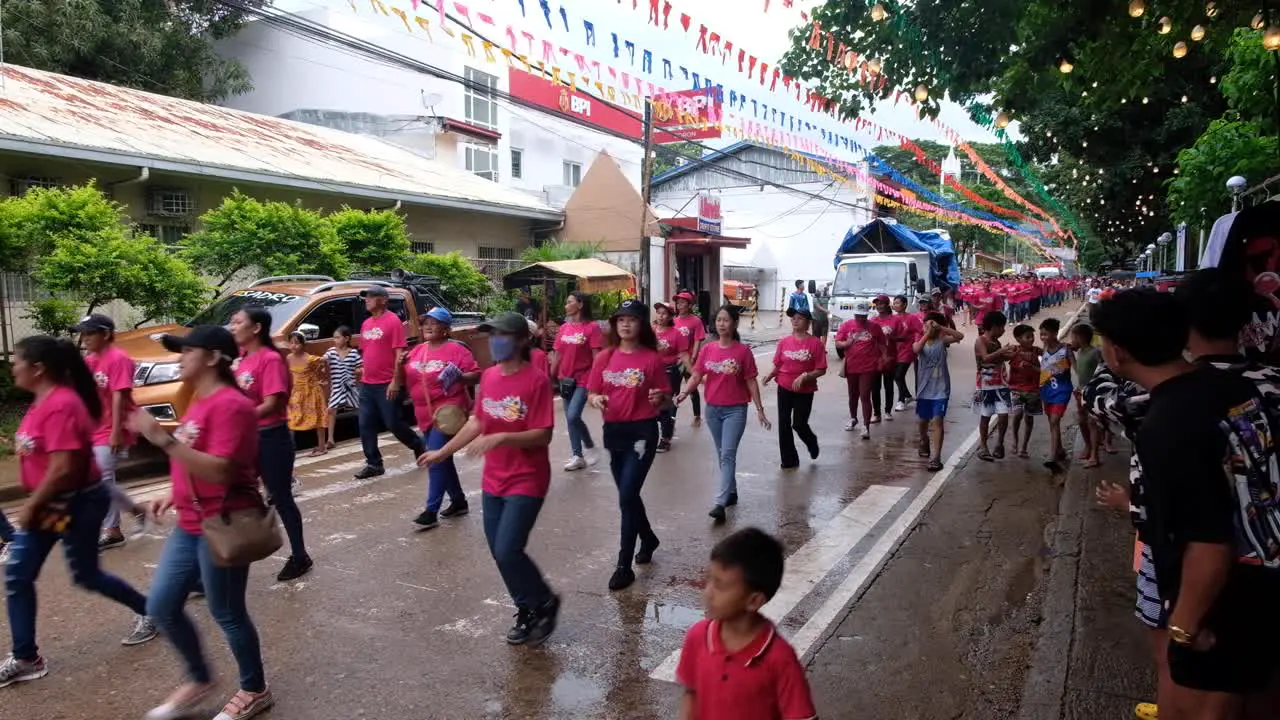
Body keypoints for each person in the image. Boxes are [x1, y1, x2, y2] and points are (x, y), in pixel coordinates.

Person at [1092, 288, 1280, 720]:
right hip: (1263, 579)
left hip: (1228, 599)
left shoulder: (1169, 424)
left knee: (1203, 706)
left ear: (1117, 352)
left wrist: (1184, 626)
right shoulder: (1229, 387)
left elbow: (1209, 544)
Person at [128, 325, 274, 720]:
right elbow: (196, 458)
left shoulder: (232, 404)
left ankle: (254, 688)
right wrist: (173, 492)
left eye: (187, 351)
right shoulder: (200, 400)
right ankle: (199, 678)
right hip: (190, 522)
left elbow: (224, 470)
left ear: (212, 357)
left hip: (222, 523)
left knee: (227, 611)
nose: (180, 358)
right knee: (161, 605)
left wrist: (162, 440)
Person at [0, 336, 154, 690]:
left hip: (72, 503)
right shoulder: (44, 400)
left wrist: (32, 504)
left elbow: (64, 467)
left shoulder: (61, 404)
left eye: (18, 360)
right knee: (19, 575)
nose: (13, 366)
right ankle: (26, 657)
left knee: (85, 575)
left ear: (37, 369)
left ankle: (149, 609)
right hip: (55, 501)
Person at [419, 312, 560, 645]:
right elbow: (476, 422)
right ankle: (526, 608)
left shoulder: (535, 380)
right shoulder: (491, 377)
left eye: (503, 335)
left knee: (510, 548)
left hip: (527, 479)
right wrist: (443, 453)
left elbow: (543, 435)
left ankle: (546, 601)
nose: (495, 341)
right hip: (494, 479)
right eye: (492, 335)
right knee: (499, 552)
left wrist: (503, 438)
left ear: (522, 340)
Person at [675, 527, 817, 720]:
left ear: (753, 601)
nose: (708, 592)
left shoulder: (780, 659)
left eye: (720, 585)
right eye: (709, 579)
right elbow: (691, 694)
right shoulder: (698, 636)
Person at [586, 300, 669, 591]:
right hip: (614, 433)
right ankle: (648, 537)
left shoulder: (651, 359)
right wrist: (596, 399)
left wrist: (660, 398)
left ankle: (623, 565)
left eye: (631, 319)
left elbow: (665, 398)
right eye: (620, 319)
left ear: (641, 324)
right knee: (628, 495)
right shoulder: (604, 358)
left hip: (642, 433)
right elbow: (592, 392)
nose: (625, 324)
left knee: (626, 496)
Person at [230, 308, 311, 582]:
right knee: (233, 496)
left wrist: (240, 418)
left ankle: (300, 556)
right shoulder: (240, 359)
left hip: (271, 437)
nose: (233, 326)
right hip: (247, 439)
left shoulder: (270, 359)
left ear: (256, 328)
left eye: (238, 322)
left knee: (280, 497)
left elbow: (273, 402)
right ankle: (218, 565)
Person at [677, 306, 770, 524]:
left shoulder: (743, 351)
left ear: (735, 324)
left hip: (735, 410)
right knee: (722, 454)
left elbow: (750, 380)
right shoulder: (708, 350)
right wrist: (683, 393)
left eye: (726, 320)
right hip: (713, 410)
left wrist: (759, 410)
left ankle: (720, 503)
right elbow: (697, 376)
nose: (721, 324)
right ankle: (732, 491)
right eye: (718, 320)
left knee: (727, 454)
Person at [74, 313, 147, 550]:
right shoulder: (90, 359)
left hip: (116, 425)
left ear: (106, 334)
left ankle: (113, 529)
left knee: (101, 479)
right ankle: (134, 510)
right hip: (95, 426)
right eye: (82, 333)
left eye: (90, 333)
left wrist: (116, 431)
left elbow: (119, 396)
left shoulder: (119, 359)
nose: (84, 338)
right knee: (96, 479)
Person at [404, 307, 480, 530]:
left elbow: (475, 376)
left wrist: (460, 376)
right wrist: (399, 366)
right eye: (426, 321)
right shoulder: (417, 351)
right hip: (423, 411)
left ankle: (431, 510)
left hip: (448, 412)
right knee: (443, 458)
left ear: (446, 329)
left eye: (434, 322)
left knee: (435, 457)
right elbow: (403, 378)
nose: (428, 326)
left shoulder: (457, 350)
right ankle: (458, 501)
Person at [353, 285, 425, 480]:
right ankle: (374, 464)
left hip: (387, 383)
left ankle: (417, 444)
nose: (366, 300)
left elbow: (399, 353)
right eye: (365, 297)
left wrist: (396, 381)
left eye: (370, 297)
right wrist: (361, 369)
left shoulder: (392, 321)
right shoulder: (366, 323)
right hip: (368, 384)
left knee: (393, 422)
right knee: (365, 423)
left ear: (383, 300)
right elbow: (365, 351)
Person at [762, 307, 826, 469]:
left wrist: (805, 376)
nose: (795, 321)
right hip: (784, 387)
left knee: (798, 424)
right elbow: (779, 364)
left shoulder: (815, 343)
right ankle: (789, 460)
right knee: (783, 424)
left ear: (808, 322)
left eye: (800, 318)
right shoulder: (784, 342)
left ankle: (811, 441)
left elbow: (821, 369)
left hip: (805, 391)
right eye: (793, 318)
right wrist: (770, 376)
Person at [552, 291, 603, 472]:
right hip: (565, 379)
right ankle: (577, 455)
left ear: (580, 305)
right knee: (570, 419)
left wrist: (595, 384)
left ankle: (589, 446)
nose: (566, 305)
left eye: (569, 302)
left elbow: (597, 358)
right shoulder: (564, 328)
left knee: (573, 415)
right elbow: (557, 355)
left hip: (584, 379)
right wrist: (551, 376)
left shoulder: (592, 328)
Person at [913, 313, 965, 471]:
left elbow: (959, 336)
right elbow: (916, 349)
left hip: (941, 389)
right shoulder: (920, 340)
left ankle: (936, 457)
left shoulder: (942, 341)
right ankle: (923, 440)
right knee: (923, 421)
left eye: (931, 325)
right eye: (926, 324)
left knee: (938, 421)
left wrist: (941, 328)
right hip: (924, 389)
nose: (929, 327)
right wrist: (927, 332)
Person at [836, 301, 889, 440]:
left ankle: (866, 426)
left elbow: (883, 343)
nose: (861, 319)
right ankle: (853, 418)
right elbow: (838, 342)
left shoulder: (874, 327)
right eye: (859, 316)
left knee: (865, 394)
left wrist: (884, 358)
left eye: (864, 316)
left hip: (868, 366)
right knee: (853, 394)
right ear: (854, 314)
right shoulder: (847, 325)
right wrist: (846, 344)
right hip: (851, 365)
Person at [974, 311, 1015, 461]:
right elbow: (985, 357)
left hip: (1001, 383)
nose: (1003, 331)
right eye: (1002, 327)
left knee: (1004, 415)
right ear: (994, 327)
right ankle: (984, 446)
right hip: (986, 385)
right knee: (985, 415)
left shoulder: (996, 342)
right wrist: (1002, 351)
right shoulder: (981, 340)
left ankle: (999, 443)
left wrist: (1013, 353)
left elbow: (1002, 357)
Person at [653, 301, 691, 453]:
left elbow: (683, 355)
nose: (661, 316)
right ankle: (665, 426)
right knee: (651, 404)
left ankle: (665, 439)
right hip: (652, 372)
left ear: (670, 316)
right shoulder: (651, 331)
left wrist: (694, 373)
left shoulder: (677, 334)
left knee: (663, 405)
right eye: (659, 313)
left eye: (664, 313)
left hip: (670, 372)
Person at [285, 331, 329, 457]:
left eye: (297, 343)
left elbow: (324, 361)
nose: (294, 346)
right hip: (296, 393)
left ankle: (322, 447)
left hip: (311, 392)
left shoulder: (310, 358)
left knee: (318, 419)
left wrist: (323, 377)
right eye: (291, 343)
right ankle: (289, 450)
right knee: (292, 419)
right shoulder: (288, 358)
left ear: (303, 344)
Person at [1039, 317, 1074, 473]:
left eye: (1045, 334)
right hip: (1047, 389)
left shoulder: (1066, 349)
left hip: (1062, 390)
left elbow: (1076, 368)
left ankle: (1052, 456)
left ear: (1054, 333)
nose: (1043, 337)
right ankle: (1059, 451)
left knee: (1054, 420)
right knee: (1052, 422)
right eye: (1041, 334)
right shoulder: (1045, 347)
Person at [1007, 324, 1043, 459]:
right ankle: (1015, 441)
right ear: (1018, 339)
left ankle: (1024, 447)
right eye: (1027, 337)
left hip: (1033, 390)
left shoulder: (1038, 352)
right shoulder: (1013, 351)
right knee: (1017, 414)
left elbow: (1049, 362)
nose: (1031, 339)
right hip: (1016, 389)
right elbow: (1003, 357)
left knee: (1029, 417)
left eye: (1032, 336)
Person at [322, 326, 361, 450]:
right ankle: (330, 439)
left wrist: (359, 371)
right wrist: (322, 364)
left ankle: (364, 433)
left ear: (346, 338)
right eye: (334, 337)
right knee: (331, 409)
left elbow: (361, 366)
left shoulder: (353, 353)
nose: (335, 340)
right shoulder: (331, 352)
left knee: (361, 409)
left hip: (351, 386)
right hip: (338, 386)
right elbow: (324, 359)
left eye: (338, 337)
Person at [673, 290, 707, 427]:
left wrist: (693, 356)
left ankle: (697, 416)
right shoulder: (673, 321)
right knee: (674, 389)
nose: (679, 305)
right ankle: (671, 419)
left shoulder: (696, 321)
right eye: (678, 302)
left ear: (689, 305)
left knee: (692, 388)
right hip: (676, 360)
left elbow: (698, 339)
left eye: (682, 302)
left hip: (689, 360)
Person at [1071, 324, 1102, 469]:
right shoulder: (1081, 352)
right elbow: (1079, 371)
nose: (1072, 341)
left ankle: (1095, 455)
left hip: (1093, 391)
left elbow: (1102, 370)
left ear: (1080, 337)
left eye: (1073, 337)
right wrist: (1071, 358)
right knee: (1081, 420)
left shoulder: (1095, 352)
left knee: (1092, 422)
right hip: (1081, 391)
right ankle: (1088, 446)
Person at [869, 295, 899, 423]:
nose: (879, 306)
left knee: (888, 385)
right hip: (875, 358)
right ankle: (876, 413)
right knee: (875, 387)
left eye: (881, 304)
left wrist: (891, 339)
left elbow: (900, 337)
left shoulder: (894, 320)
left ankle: (887, 410)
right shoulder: (872, 321)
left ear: (887, 305)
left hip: (890, 357)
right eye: (877, 304)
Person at [890, 295, 923, 412]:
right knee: (895, 375)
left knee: (899, 375)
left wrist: (919, 344)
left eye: (898, 303)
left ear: (904, 305)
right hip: (894, 351)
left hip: (907, 350)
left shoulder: (911, 318)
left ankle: (901, 400)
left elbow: (922, 330)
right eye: (894, 303)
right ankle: (908, 396)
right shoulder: (892, 318)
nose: (895, 305)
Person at [810, 280, 830, 349]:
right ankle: (817, 348)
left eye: (825, 290)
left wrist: (828, 286)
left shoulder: (826, 297)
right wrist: (826, 311)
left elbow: (829, 293)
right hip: (816, 320)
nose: (825, 291)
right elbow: (818, 306)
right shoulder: (815, 298)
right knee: (816, 335)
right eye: (823, 290)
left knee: (824, 334)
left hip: (824, 319)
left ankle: (823, 348)